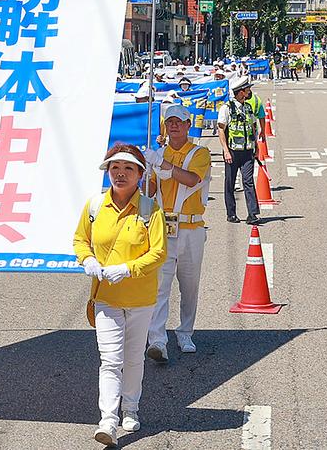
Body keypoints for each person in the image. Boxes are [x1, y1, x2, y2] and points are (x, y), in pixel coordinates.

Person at [74, 144, 166, 446]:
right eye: (115, 168)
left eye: (128, 168)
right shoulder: (94, 206)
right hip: (106, 298)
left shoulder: (150, 210)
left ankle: (131, 408)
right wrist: (87, 259)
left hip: (140, 298)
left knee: (134, 357)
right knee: (110, 360)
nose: (120, 174)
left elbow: (158, 253)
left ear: (140, 174)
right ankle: (108, 420)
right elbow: (80, 240)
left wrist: (127, 269)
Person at [144, 105, 211, 362]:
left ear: (187, 125)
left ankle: (185, 333)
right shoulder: (158, 154)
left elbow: (192, 179)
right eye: (169, 121)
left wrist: (162, 164)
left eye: (179, 122)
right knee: (160, 287)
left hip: (191, 228)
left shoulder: (199, 153)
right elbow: (149, 192)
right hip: (163, 228)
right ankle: (157, 340)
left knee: (189, 286)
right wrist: (146, 171)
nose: (174, 125)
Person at [218, 75, 261, 224]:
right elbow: (221, 129)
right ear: (241, 92)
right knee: (230, 183)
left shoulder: (248, 107)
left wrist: (256, 146)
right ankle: (231, 214)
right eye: (247, 89)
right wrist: (225, 150)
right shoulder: (226, 108)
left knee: (248, 181)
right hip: (232, 151)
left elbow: (253, 127)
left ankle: (252, 214)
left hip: (248, 151)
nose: (249, 91)